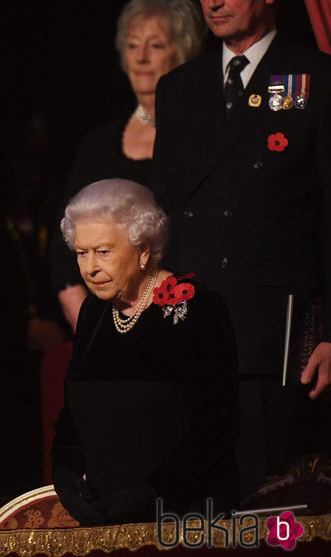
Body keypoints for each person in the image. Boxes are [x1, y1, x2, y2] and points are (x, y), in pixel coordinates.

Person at [151, 0, 331, 496]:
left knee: (271, 508)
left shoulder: (317, 79)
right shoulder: (179, 89)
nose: (213, 0)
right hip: (193, 328)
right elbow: (165, 212)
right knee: (195, 506)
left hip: (277, 338)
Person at [51, 179, 239, 525]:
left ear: (144, 250)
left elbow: (218, 426)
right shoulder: (94, 312)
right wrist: (64, 472)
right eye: (81, 252)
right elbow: (75, 415)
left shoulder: (196, 308)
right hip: (106, 518)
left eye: (103, 251)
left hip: (185, 519)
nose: (90, 268)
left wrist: (150, 492)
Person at [52, 0, 204, 331]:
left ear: (182, 53)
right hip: (102, 320)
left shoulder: (201, 138)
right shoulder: (99, 142)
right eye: (133, 46)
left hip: (178, 315)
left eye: (156, 45)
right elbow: (64, 244)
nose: (142, 57)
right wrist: (91, 324)